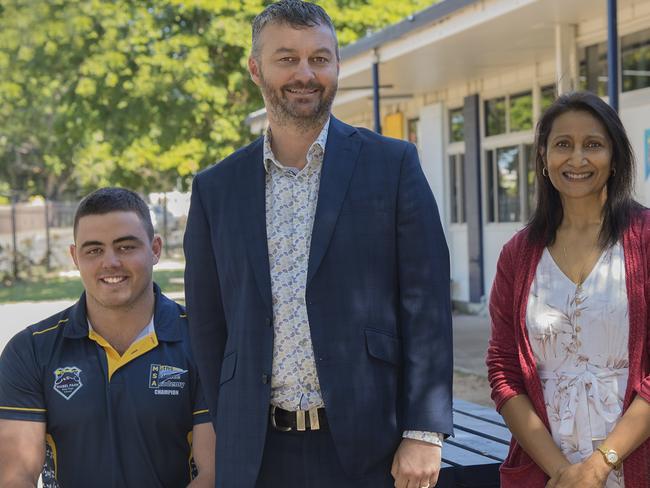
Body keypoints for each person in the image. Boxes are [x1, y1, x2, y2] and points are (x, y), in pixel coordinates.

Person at [182, 1, 453, 487]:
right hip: (257, 454)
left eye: (319, 58)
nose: (305, 73)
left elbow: (427, 304)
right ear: (255, 68)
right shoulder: (215, 188)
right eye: (287, 58)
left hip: (373, 447)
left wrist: (424, 430)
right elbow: (207, 322)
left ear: (336, 67)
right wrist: (229, 422)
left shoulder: (392, 165)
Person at [486, 91, 650, 488]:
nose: (577, 159)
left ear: (614, 158)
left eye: (593, 145)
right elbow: (503, 369)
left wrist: (598, 465)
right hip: (546, 471)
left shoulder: (645, 241)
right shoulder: (518, 254)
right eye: (563, 145)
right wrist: (561, 471)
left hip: (632, 462)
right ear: (543, 158)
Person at [0, 188, 215, 488]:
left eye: (126, 247)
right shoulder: (31, 350)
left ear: (155, 249)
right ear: (75, 257)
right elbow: (15, 476)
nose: (110, 262)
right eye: (94, 250)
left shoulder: (203, 340)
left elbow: (213, 473)